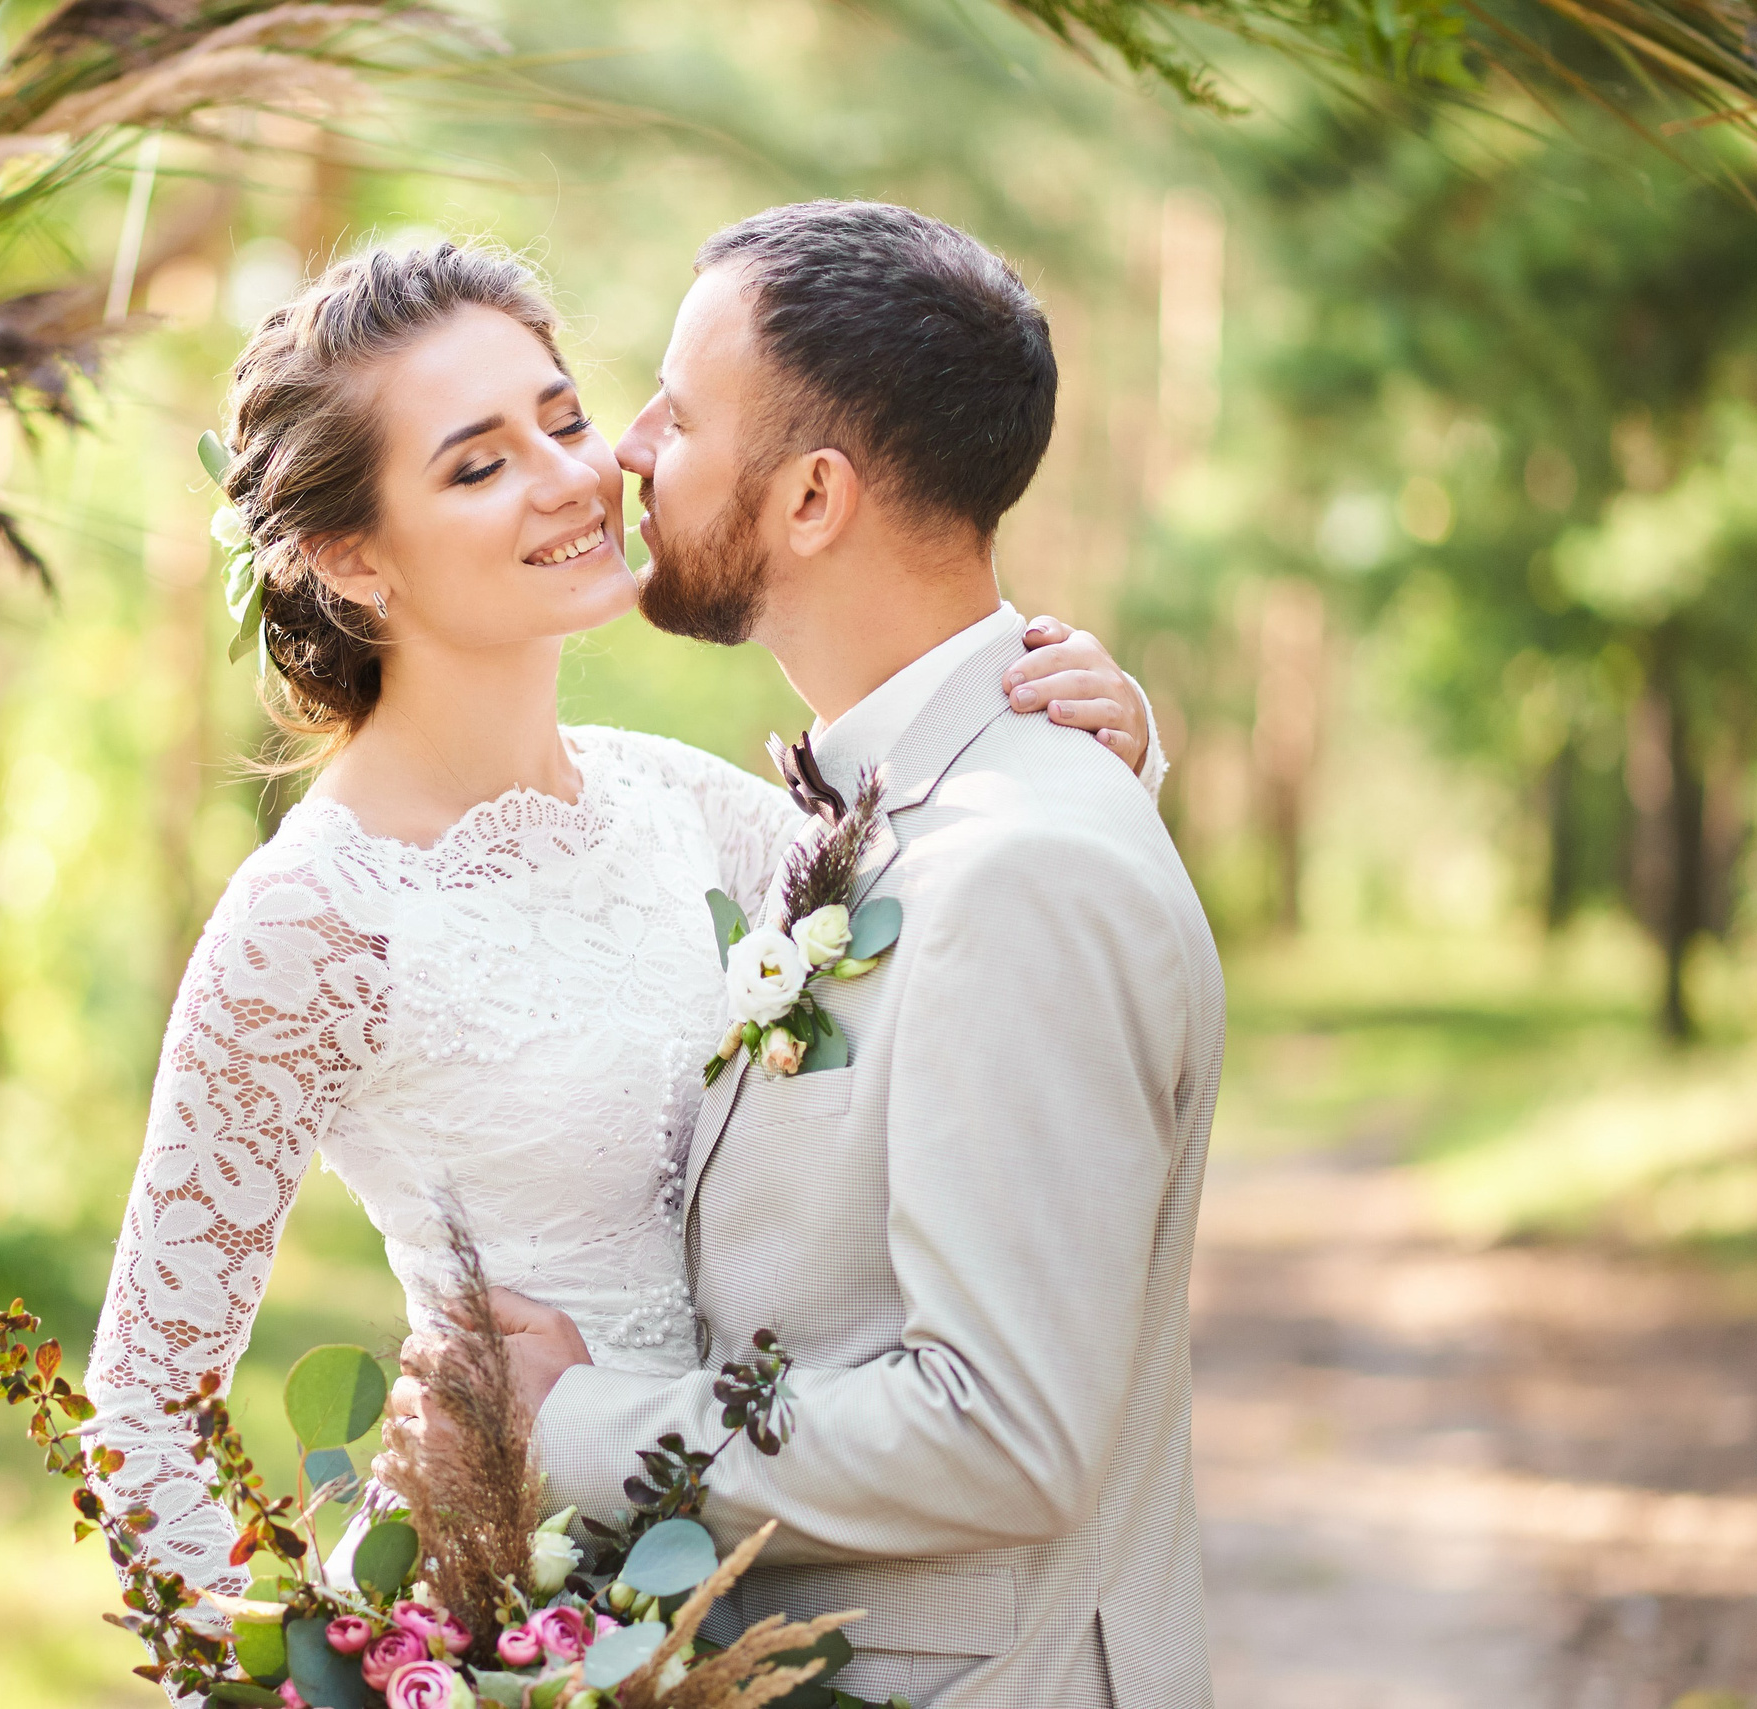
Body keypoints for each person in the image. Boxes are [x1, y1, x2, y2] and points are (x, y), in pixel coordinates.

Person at [79, 237, 1177, 1613]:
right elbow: (140, 1412)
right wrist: (296, 1676)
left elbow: (987, 949)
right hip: (520, 1624)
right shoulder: (311, 924)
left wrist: (1096, 757)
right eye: (478, 464)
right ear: (352, 558)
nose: (573, 477)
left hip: (783, 1590)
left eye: (565, 417)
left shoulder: (685, 807)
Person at [393, 204, 1226, 1708]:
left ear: (814, 497)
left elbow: (1005, 1431)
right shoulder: (917, 805)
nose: (625, 448)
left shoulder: (1022, 865)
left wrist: (571, 1419)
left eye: (680, 410)